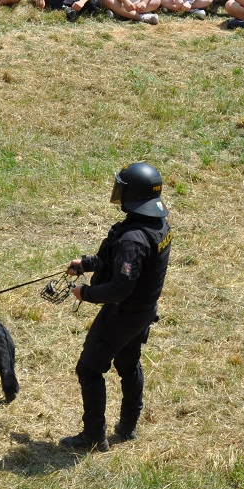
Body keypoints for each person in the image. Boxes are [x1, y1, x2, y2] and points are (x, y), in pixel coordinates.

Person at [59, 162, 171, 453]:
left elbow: (121, 286)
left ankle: (93, 437)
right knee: (128, 364)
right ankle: (128, 425)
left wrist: (86, 293)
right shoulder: (157, 226)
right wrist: (87, 264)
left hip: (122, 315)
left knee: (89, 369)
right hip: (142, 313)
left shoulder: (133, 239)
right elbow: (129, 267)